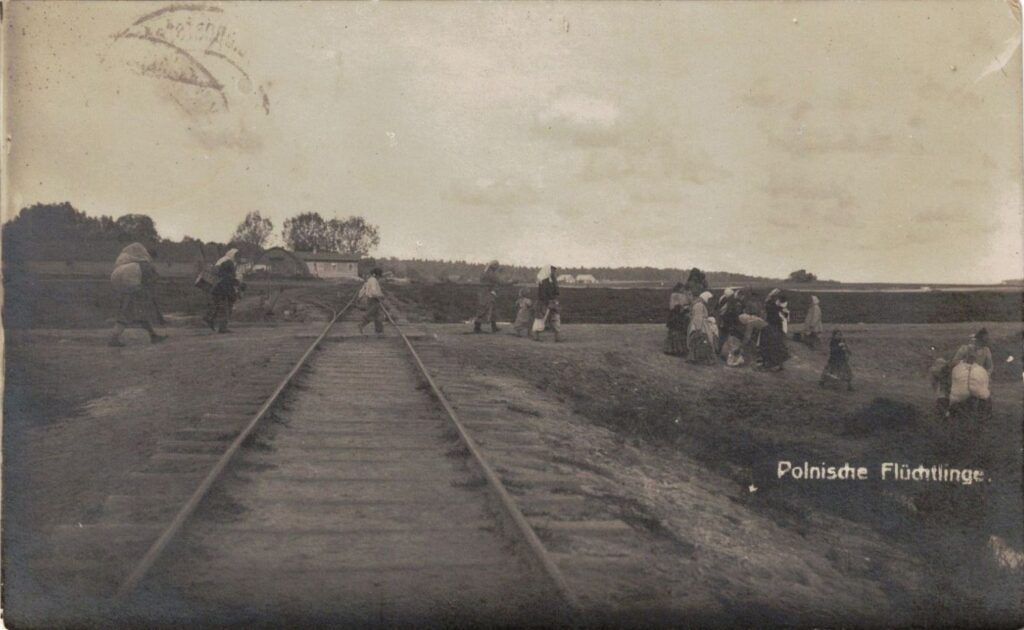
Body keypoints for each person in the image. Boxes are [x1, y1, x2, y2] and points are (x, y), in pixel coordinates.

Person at [109, 243, 167, 347]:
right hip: (130, 279)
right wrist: (158, 312)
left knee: (137, 310)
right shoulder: (145, 264)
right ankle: (114, 338)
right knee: (131, 311)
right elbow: (151, 286)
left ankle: (153, 335)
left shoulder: (133, 258)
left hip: (116, 276)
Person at [203, 248, 244, 333]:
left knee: (220, 306)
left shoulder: (222, 260)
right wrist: (237, 285)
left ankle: (210, 319)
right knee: (226, 308)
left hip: (218, 288)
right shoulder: (229, 263)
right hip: (224, 288)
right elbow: (230, 278)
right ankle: (222, 327)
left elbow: (224, 275)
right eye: (237, 256)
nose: (238, 258)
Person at [531, 265, 561, 342]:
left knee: (555, 318)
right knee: (540, 319)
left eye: (554, 271)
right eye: (552, 270)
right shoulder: (543, 281)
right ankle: (536, 336)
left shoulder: (552, 280)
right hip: (543, 303)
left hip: (552, 302)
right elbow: (542, 294)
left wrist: (553, 301)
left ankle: (557, 337)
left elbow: (557, 291)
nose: (554, 272)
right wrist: (548, 302)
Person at [687, 291, 717, 364]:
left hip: (698, 324)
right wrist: (698, 328)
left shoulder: (698, 304)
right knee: (703, 340)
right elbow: (698, 317)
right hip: (700, 325)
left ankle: (696, 357)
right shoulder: (699, 305)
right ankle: (701, 358)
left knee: (699, 341)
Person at [473, 260, 501, 333]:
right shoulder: (491, 274)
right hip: (487, 293)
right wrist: (511, 282)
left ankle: (493, 327)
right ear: (494, 267)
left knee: (491, 309)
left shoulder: (484, 272)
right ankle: (477, 327)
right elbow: (499, 281)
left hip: (484, 293)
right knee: (484, 309)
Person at [358, 267, 386, 335]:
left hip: (373, 299)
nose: (380, 277)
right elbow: (373, 292)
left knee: (378, 315)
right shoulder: (373, 280)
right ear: (376, 275)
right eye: (379, 275)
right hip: (373, 300)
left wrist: (360, 296)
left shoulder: (371, 279)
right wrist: (381, 296)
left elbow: (364, 288)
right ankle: (361, 325)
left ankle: (379, 331)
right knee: (371, 315)